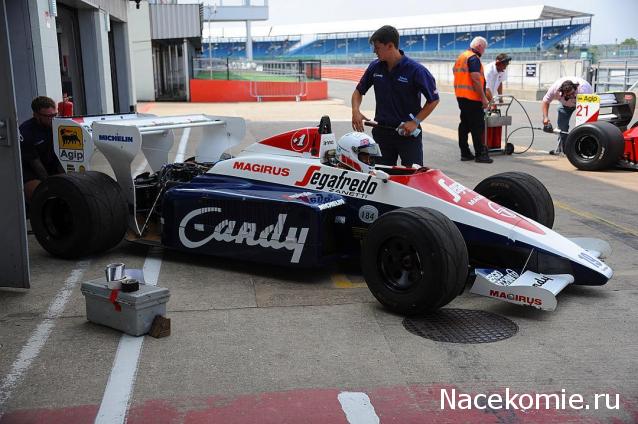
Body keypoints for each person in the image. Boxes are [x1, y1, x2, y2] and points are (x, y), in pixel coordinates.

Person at [351, 25, 439, 167]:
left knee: (413, 177)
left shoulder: (416, 70)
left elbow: (433, 100)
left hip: (408, 134)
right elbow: (358, 92)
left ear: (390, 46)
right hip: (381, 133)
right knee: (380, 176)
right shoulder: (375, 67)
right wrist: (355, 111)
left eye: (377, 47)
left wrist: (415, 121)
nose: (374, 51)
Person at [453, 36, 493, 163]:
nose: (484, 51)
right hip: (472, 98)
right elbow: (476, 79)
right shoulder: (473, 58)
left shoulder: (461, 57)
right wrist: (484, 98)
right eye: (484, 48)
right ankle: (480, 154)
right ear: (480, 46)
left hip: (461, 96)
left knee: (464, 125)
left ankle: (465, 152)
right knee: (477, 126)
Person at [20, 96, 64, 204]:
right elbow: (36, 164)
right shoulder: (26, 131)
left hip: (51, 165)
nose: (53, 118)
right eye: (48, 116)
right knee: (42, 193)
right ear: (36, 115)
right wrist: (50, 184)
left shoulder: (58, 125)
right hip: (31, 171)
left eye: (55, 115)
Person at [541, 76, 593, 155]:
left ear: (575, 88)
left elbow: (588, 108)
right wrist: (545, 117)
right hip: (565, 105)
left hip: (584, 103)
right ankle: (562, 149)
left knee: (584, 126)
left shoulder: (583, 89)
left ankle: (584, 148)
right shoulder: (554, 89)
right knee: (562, 127)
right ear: (561, 92)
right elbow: (545, 101)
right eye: (568, 95)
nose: (571, 96)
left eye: (573, 93)